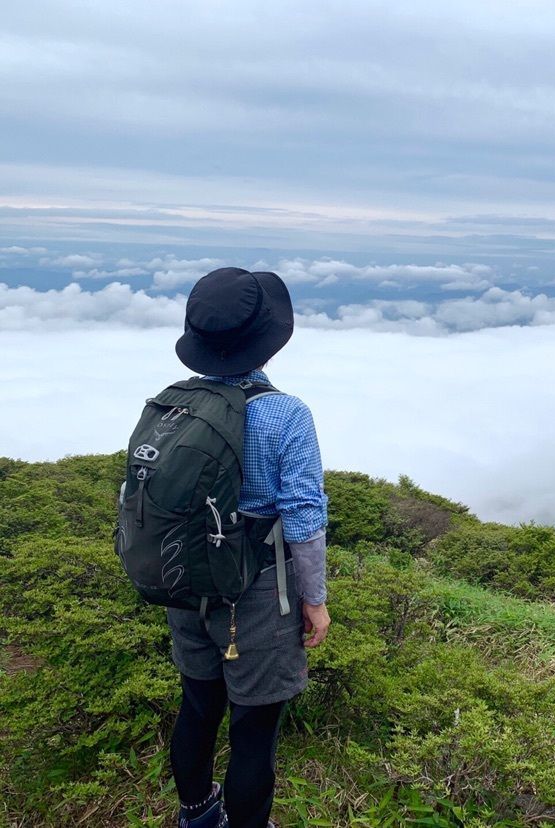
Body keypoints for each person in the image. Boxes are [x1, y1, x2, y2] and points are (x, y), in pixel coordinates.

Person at [166, 267, 330, 828]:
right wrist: (315, 599)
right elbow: (303, 515)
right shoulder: (285, 414)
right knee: (254, 732)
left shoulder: (172, 404)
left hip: (186, 585)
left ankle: (196, 815)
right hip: (257, 597)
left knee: (196, 708)